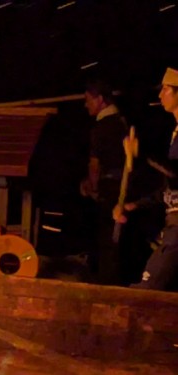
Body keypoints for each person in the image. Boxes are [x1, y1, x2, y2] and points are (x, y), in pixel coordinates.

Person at [115, 67, 178, 291]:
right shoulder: (175, 134)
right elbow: (170, 186)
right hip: (172, 226)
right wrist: (135, 205)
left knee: (147, 291)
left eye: (166, 89)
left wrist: (142, 153)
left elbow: (175, 173)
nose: (160, 95)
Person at [79, 79, 129, 285]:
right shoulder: (123, 122)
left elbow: (95, 164)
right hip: (125, 187)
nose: (86, 105)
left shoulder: (101, 128)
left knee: (106, 239)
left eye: (88, 100)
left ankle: (104, 282)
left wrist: (93, 187)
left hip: (109, 189)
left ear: (100, 99)